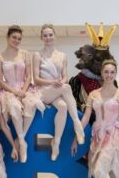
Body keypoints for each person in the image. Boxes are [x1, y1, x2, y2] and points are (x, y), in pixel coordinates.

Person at [32, 24, 85, 161]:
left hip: (57, 91)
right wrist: (52, 83)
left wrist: (60, 82)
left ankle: (56, 143)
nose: (48, 37)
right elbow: (36, 79)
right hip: (43, 92)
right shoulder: (37, 55)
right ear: (41, 37)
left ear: (55, 36)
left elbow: (65, 77)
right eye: (45, 35)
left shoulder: (62, 55)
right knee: (66, 88)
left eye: (50, 35)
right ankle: (77, 123)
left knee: (63, 106)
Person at [0, 25, 45, 163]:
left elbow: (29, 76)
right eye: (14, 37)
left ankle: (20, 139)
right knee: (14, 107)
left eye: (19, 39)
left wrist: (23, 91)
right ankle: (22, 143)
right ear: (7, 38)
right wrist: (14, 91)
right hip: (8, 89)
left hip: (25, 88)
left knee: (32, 104)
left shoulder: (25, 54)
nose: (16, 40)